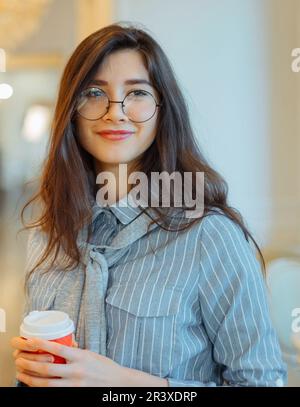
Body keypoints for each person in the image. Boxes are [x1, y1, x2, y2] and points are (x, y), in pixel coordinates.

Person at [11, 23, 286, 387]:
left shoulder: (209, 235)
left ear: (162, 108)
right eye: (94, 92)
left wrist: (124, 384)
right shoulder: (48, 236)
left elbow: (262, 382)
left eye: (137, 92)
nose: (115, 112)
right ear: (71, 113)